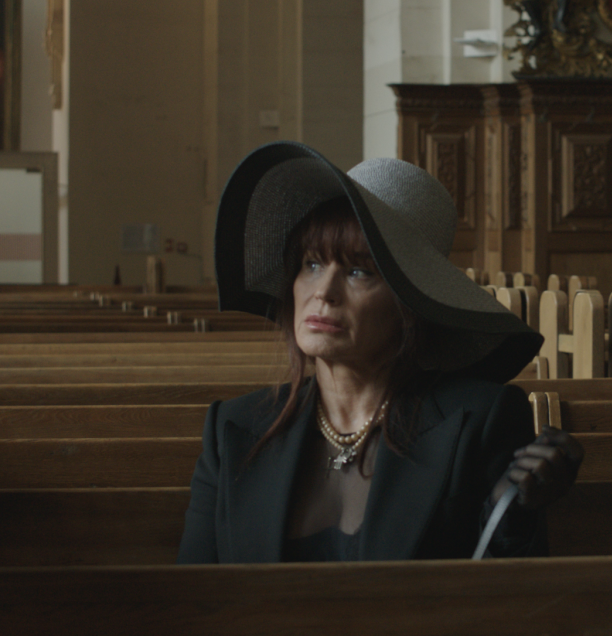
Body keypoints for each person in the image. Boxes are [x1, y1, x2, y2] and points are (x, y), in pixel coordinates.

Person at [178, 142, 583, 563]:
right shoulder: (233, 429)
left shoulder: (479, 423)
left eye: (359, 271)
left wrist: (511, 514)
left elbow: (503, 593)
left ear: (411, 305)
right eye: (312, 264)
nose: (324, 292)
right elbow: (193, 592)